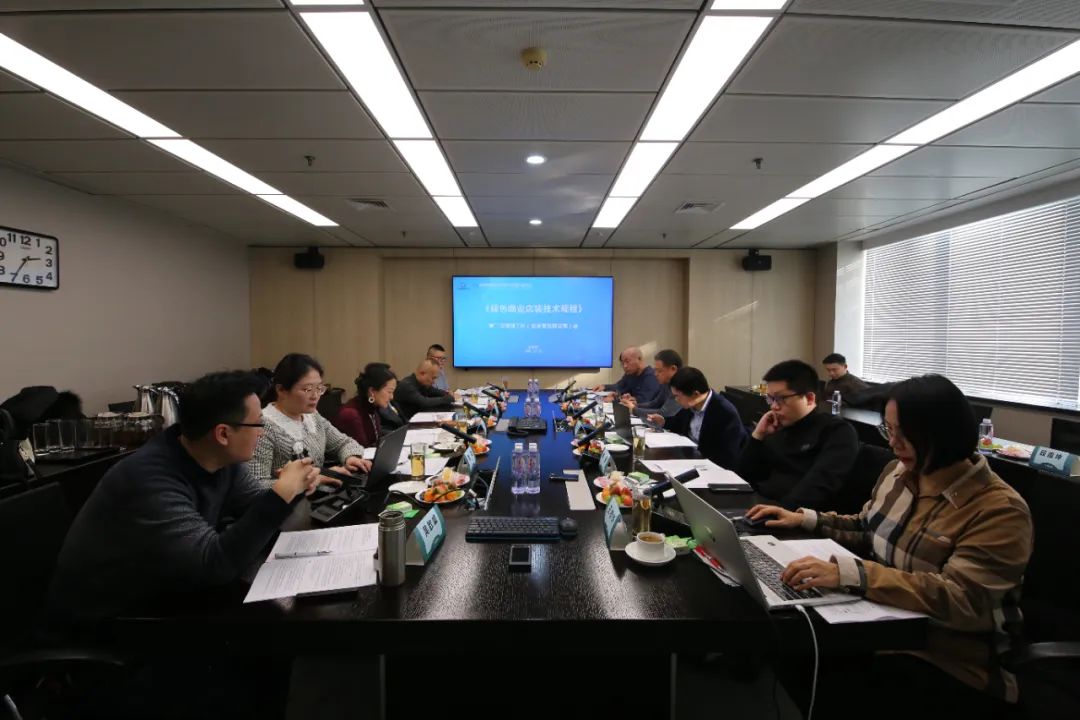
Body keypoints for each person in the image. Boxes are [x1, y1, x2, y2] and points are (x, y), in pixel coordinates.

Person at [747, 374, 1032, 716]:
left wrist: (856, 575)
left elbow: (963, 600)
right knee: (790, 650)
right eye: (889, 430)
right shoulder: (898, 473)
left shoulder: (998, 509)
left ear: (943, 434)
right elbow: (866, 526)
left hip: (948, 661)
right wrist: (803, 519)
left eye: (904, 434)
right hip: (880, 630)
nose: (893, 443)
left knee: (825, 677)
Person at [48, 371, 326, 623]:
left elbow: (255, 504)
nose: (262, 433)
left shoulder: (218, 458)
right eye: (257, 424)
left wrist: (295, 486)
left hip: (170, 593)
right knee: (276, 625)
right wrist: (281, 493)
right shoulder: (149, 478)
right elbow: (214, 564)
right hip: (110, 620)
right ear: (223, 433)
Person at [737, 359, 858, 510]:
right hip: (759, 505)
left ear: (809, 398)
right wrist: (758, 436)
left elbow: (815, 491)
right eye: (770, 399)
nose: (774, 406)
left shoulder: (837, 432)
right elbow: (742, 477)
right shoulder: (776, 428)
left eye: (781, 399)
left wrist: (777, 512)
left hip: (793, 515)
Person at [249, 353, 370, 488]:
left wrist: (350, 457)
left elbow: (343, 442)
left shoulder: (312, 416)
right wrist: (314, 479)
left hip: (319, 497)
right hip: (286, 501)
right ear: (281, 390)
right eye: (307, 389)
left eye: (319, 388)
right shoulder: (263, 426)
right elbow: (256, 485)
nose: (315, 396)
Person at [661, 367, 747, 469]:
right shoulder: (692, 404)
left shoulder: (724, 412)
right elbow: (678, 423)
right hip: (689, 459)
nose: (676, 400)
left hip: (711, 467)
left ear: (695, 394)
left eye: (677, 396)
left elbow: (728, 456)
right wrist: (663, 421)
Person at [333, 364, 398, 448]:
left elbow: (376, 441)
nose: (392, 397)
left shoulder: (372, 408)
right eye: (389, 392)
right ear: (372, 391)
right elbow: (363, 450)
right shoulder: (350, 414)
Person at [619, 349, 683, 421]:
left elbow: (664, 413)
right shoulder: (667, 383)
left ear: (673, 369)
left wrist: (634, 410)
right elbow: (655, 403)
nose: (655, 374)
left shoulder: (682, 386)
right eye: (655, 370)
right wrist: (635, 405)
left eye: (659, 371)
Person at [592, 346, 661, 404]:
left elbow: (644, 400)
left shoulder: (651, 376)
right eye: (623, 363)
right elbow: (619, 386)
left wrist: (617, 399)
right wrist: (605, 387)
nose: (625, 366)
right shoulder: (630, 374)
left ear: (639, 359)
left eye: (627, 361)